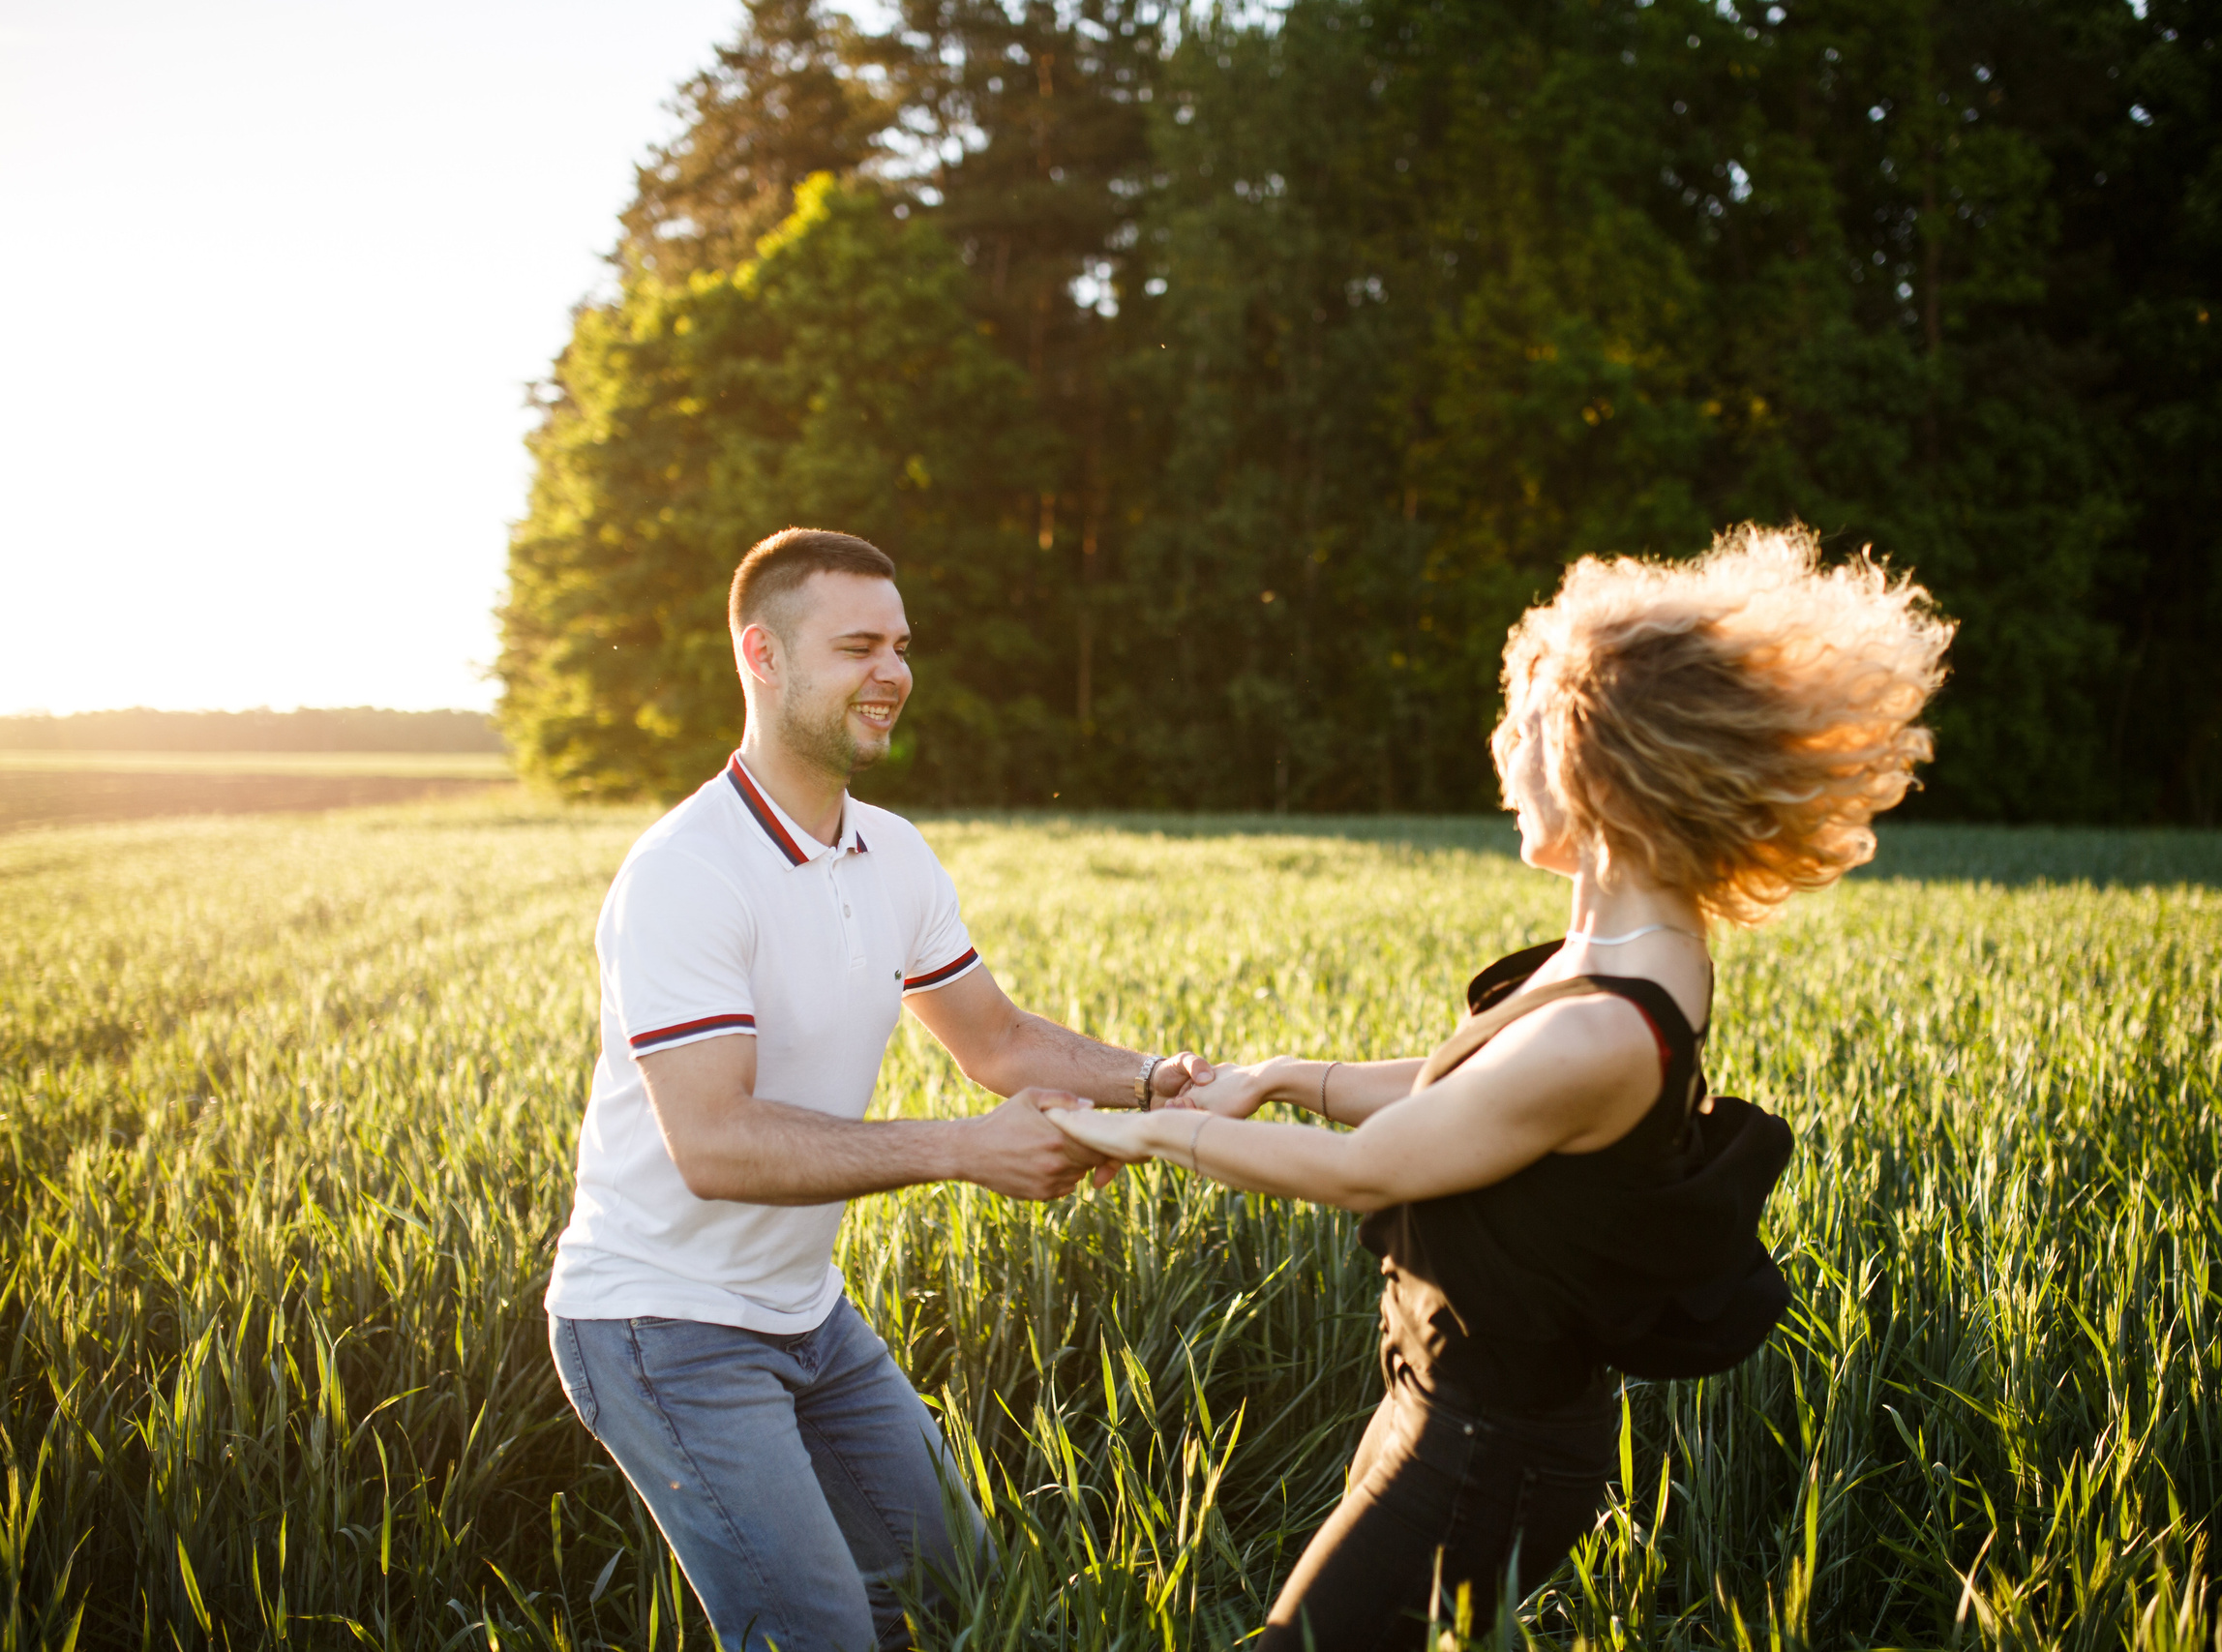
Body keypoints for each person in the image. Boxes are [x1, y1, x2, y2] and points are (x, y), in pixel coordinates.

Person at [1043, 526, 1953, 1650]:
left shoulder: (1613, 1028)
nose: (1497, 753)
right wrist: (1277, 1077)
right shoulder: (1615, 946)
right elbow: (1457, 1100)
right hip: (1434, 1406)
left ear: (1591, 765)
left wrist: (1138, 1137)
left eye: (1517, 727)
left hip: (1486, 1452)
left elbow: (1365, 1171)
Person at [545, 527, 1219, 1652]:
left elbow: (997, 1038)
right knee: (817, 1635)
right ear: (761, 656)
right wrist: (963, 1150)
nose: (894, 673)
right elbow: (713, 1143)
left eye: (901, 645)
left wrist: (1154, 1084)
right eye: (859, 645)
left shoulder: (893, 852)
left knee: (966, 1601)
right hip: (660, 1326)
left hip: (807, 1316)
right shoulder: (685, 872)